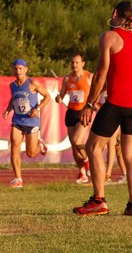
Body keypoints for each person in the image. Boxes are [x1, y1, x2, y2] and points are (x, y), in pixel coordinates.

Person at [73, 0, 132, 217]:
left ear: (115, 13)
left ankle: (99, 200)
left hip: (116, 102)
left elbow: (101, 72)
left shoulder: (109, 36)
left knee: (93, 147)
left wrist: (89, 103)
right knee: (130, 155)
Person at [3, 59, 51, 188]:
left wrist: (38, 108)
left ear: (25, 69)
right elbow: (13, 98)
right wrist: (8, 110)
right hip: (17, 120)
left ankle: (40, 146)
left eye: (20, 68)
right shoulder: (12, 85)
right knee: (14, 148)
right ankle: (18, 179)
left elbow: (47, 96)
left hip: (31, 121)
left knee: (30, 153)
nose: (18, 71)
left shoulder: (32, 83)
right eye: (16, 68)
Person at [56, 53, 92, 184]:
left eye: (77, 62)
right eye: (72, 62)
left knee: (77, 140)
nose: (74, 65)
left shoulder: (89, 77)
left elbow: (96, 92)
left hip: (84, 112)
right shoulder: (67, 78)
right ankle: (82, 173)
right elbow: (61, 94)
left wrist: (92, 106)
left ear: (83, 63)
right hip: (71, 112)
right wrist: (58, 98)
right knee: (73, 146)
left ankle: (87, 160)